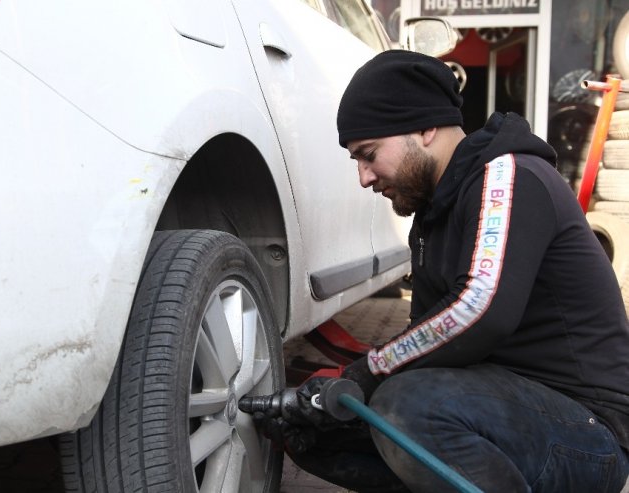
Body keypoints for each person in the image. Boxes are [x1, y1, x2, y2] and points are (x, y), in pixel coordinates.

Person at [256, 50, 629, 492]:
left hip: (588, 432)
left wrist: (362, 374)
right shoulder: (433, 217)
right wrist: (327, 406)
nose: (363, 177)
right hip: (503, 410)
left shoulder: (509, 178)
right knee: (321, 433)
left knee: (407, 406)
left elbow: (480, 309)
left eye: (369, 154)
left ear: (425, 127)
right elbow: (427, 345)